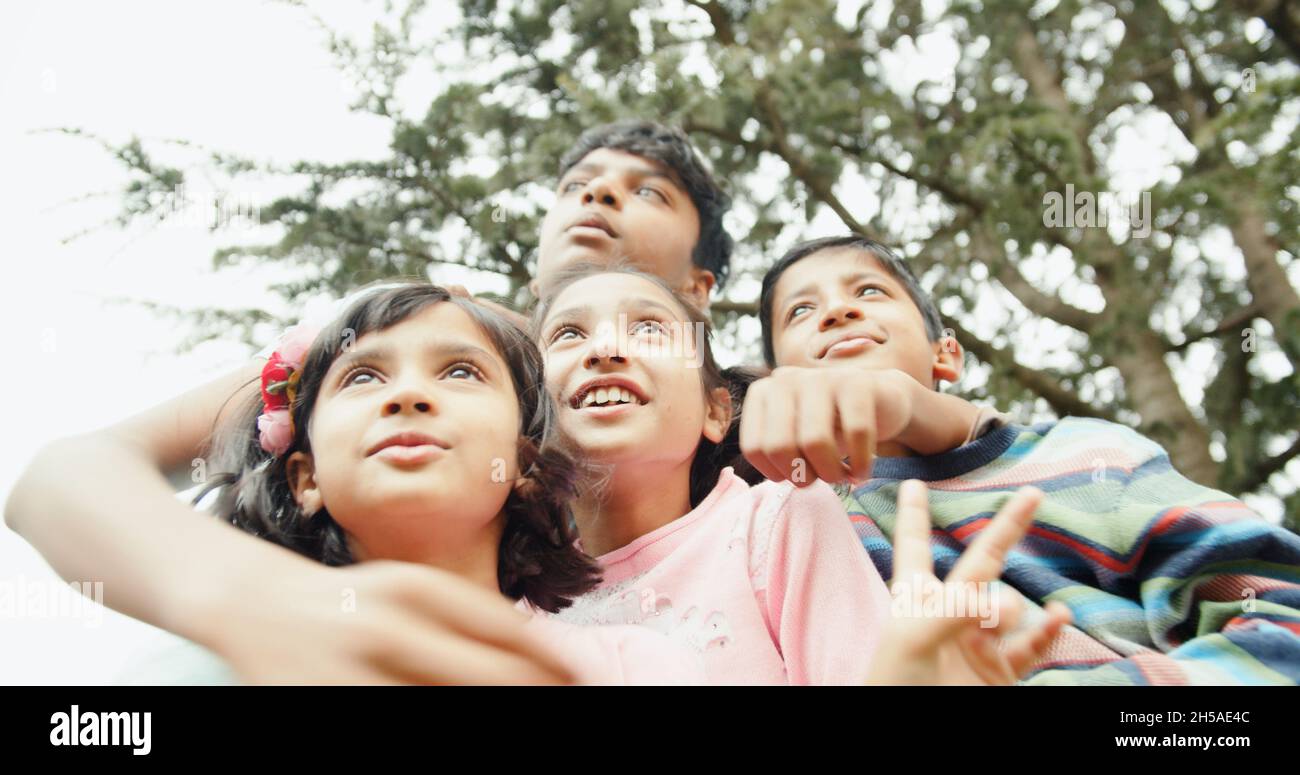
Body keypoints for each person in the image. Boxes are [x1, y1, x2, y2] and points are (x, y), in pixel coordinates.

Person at [4, 120, 735, 683]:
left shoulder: (753, 407)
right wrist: (255, 595)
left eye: (648, 191)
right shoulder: (409, 332)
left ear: (701, 291)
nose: (599, 194)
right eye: (577, 183)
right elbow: (63, 476)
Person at [748, 234, 1300, 684]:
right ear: (774, 383)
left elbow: (1282, 620)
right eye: (801, 310)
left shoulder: (1090, 455)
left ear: (947, 354)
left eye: (869, 291)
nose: (838, 312)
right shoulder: (777, 523)